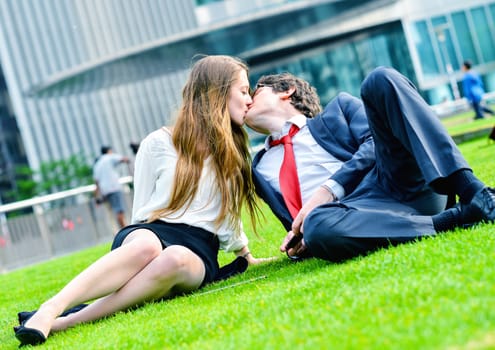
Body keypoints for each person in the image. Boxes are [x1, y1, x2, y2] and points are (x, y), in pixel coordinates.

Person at [14, 55, 269, 347]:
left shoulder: (234, 150)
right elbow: (141, 213)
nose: (249, 99)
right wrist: (142, 247)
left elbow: (229, 213)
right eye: (243, 90)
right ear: (217, 92)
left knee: (174, 259)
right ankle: (51, 308)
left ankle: (66, 323)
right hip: (151, 232)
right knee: (148, 245)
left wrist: (244, 253)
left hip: (199, 249)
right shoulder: (158, 143)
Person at [246, 67, 495, 263]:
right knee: (317, 224)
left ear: (286, 91)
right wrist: (302, 238)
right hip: (353, 218)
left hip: (395, 182)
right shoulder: (258, 168)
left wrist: (329, 190)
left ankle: (476, 193)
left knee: (379, 79)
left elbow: (375, 144)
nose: (248, 100)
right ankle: (457, 218)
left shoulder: (339, 110)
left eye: (255, 91)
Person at [93, 146, 130, 228]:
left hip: (104, 191)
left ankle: (118, 231)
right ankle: (125, 230)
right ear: (109, 151)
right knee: (119, 211)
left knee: (112, 213)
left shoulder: (97, 164)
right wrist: (128, 160)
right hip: (114, 188)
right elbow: (123, 159)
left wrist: (96, 197)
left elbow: (96, 182)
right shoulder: (109, 157)